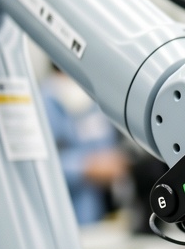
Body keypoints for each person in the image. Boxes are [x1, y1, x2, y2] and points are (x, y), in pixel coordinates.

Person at [42, 67, 126, 225]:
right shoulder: (45, 102)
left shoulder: (96, 100)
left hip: (105, 215)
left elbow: (110, 145)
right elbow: (42, 166)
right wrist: (84, 167)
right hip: (66, 216)